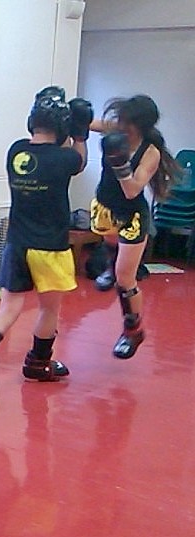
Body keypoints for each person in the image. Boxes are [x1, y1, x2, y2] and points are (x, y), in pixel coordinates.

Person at [0, 87, 89, 400]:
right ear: (61, 128)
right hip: (50, 247)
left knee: (8, 309)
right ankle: (38, 364)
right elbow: (80, 160)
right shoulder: (65, 158)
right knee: (49, 310)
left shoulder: (16, 151)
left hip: (17, 243)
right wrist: (80, 132)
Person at [87, 94, 179, 358]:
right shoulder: (116, 129)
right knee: (110, 246)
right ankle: (111, 264)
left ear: (140, 125)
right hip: (105, 206)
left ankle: (133, 331)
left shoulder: (150, 153)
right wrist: (69, 115)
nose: (122, 125)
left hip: (131, 215)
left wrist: (121, 164)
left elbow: (132, 190)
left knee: (125, 279)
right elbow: (87, 123)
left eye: (128, 122)